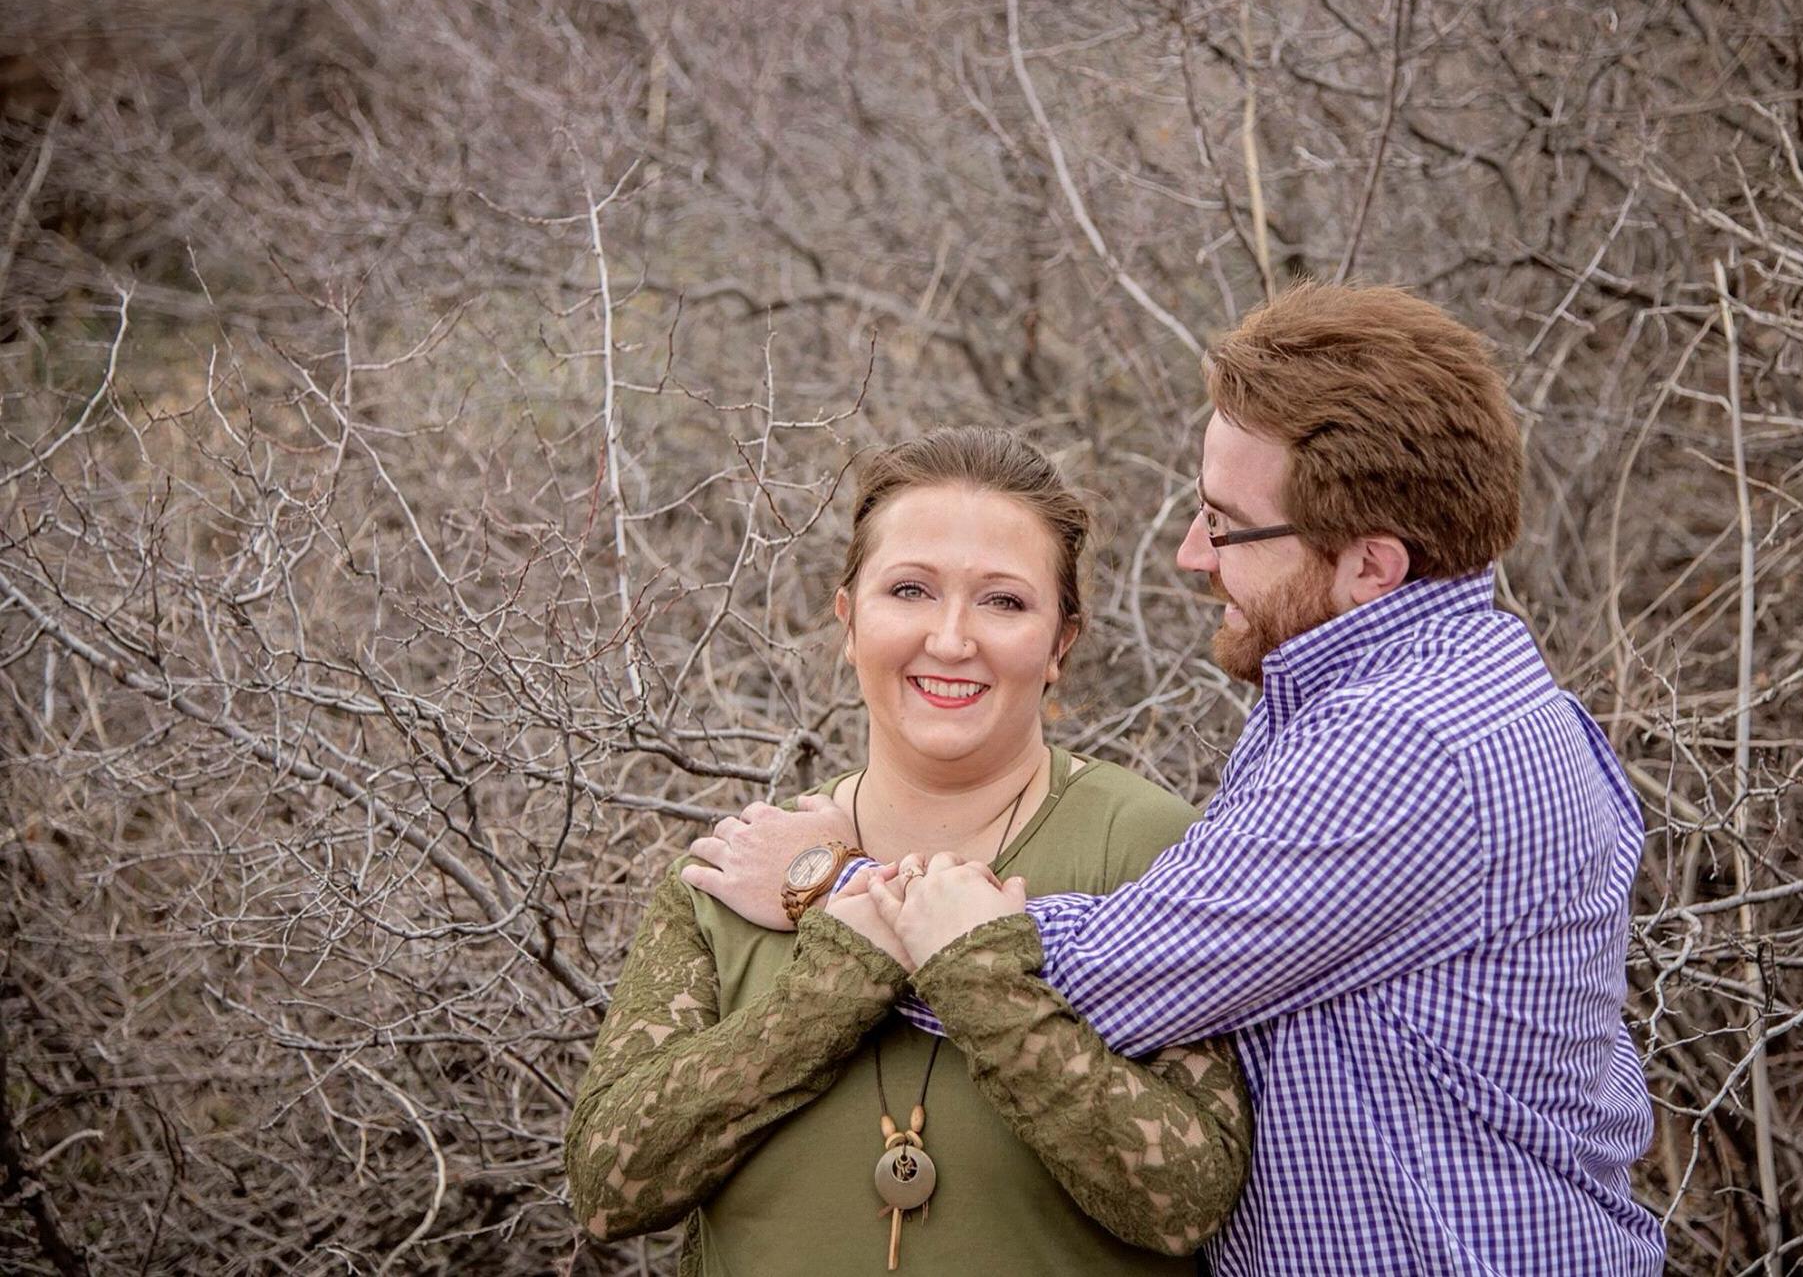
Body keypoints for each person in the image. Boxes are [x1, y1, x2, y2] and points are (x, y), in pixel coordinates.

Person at [693, 282, 1670, 1275]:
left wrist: (826, 883)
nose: (1188, 553)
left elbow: (1104, 981)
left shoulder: (1405, 744)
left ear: (1370, 566)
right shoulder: (1464, 686)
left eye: (1225, 524)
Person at [563, 427, 1251, 1275]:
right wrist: (838, 978)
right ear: (849, 619)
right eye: (910, 589)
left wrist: (978, 974)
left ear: (1061, 643)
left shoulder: (1153, 850)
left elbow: (1186, 1198)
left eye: (1004, 601)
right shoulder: (736, 873)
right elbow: (609, 1186)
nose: (952, 639)